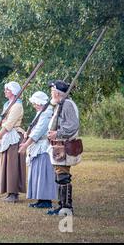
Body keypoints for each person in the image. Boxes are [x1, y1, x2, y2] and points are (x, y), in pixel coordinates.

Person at [46, 80, 81, 215]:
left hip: (64, 145)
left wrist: (57, 133)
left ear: (57, 92)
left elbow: (72, 126)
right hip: (58, 146)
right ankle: (62, 206)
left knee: (63, 176)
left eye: (52, 91)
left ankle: (66, 208)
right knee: (60, 175)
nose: (51, 93)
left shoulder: (67, 104)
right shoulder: (61, 104)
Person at [18, 91, 57, 208]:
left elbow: (38, 131)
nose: (34, 105)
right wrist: (27, 133)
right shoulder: (42, 112)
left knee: (43, 174)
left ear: (39, 102)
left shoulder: (47, 113)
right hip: (38, 147)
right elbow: (34, 128)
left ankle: (46, 201)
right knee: (37, 173)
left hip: (43, 147)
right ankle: (40, 199)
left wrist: (25, 144)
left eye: (35, 103)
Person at [0, 81, 26, 202]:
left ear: (14, 92)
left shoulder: (17, 106)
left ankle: (13, 194)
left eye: (8, 90)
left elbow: (9, 125)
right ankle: (8, 192)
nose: (5, 91)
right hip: (6, 136)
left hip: (13, 138)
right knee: (5, 164)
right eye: (5, 89)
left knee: (12, 166)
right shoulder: (7, 104)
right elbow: (2, 122)